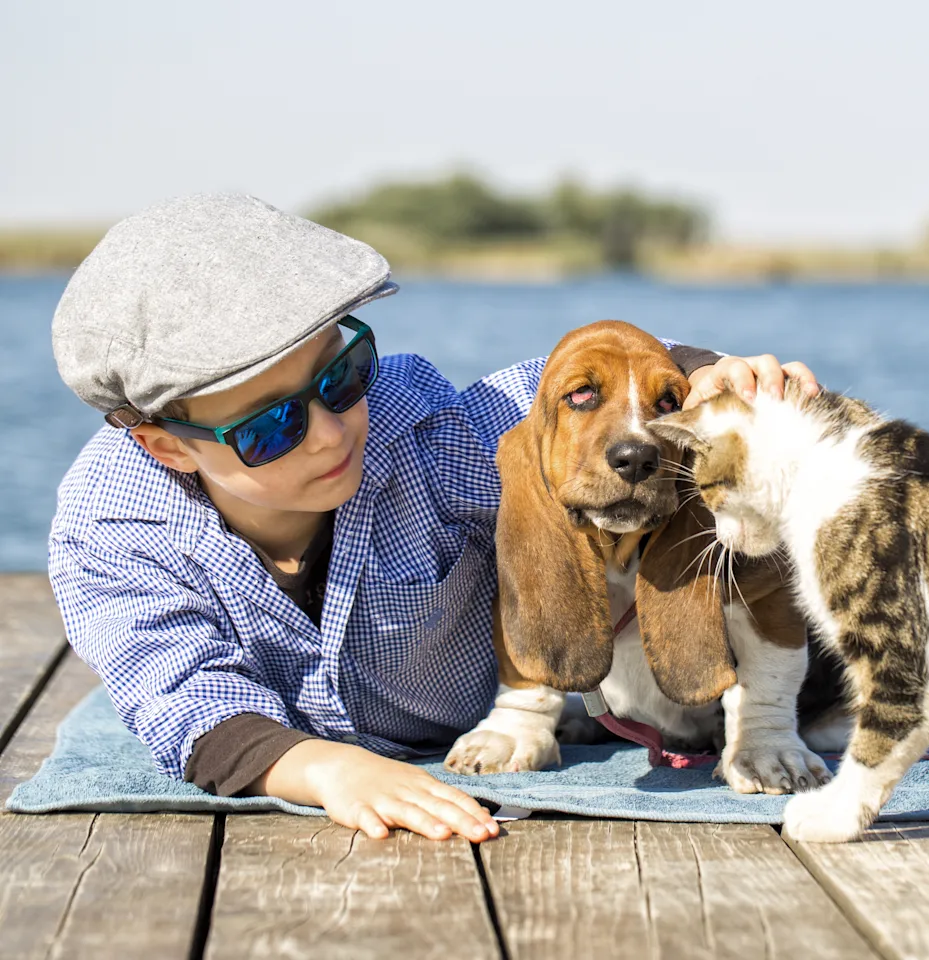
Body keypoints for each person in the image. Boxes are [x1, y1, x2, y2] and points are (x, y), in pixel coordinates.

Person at [48, 193, 818, 843]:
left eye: (342, 377)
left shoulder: (418, 429)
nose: (331, 431)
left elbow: (567, 397)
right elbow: (183, 698)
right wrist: (325, 769)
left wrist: (712, 373)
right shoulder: (112, 535)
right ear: (164, 446)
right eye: (269, 428)